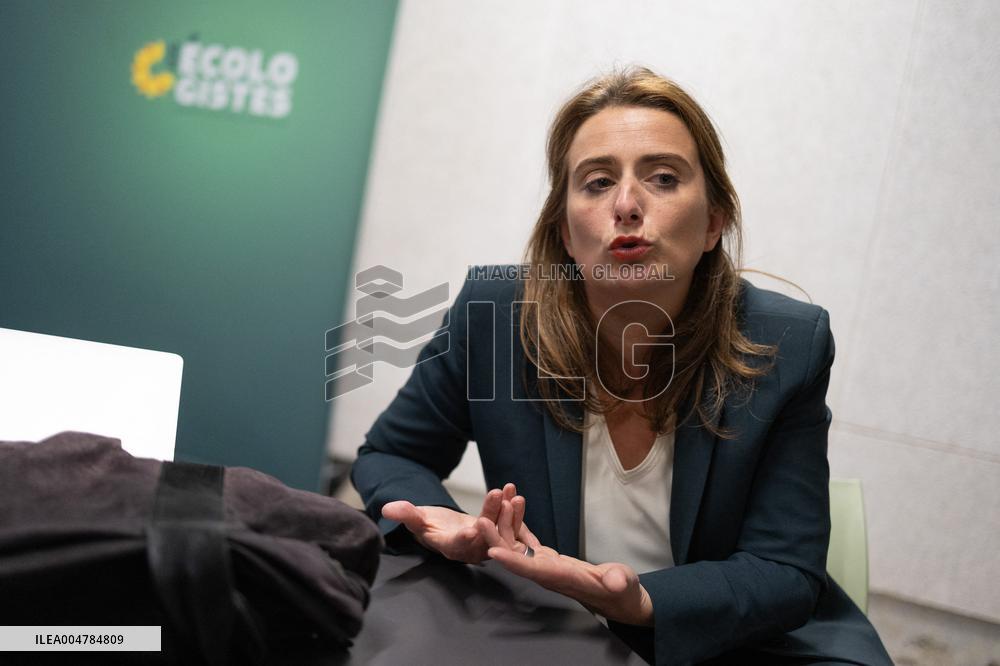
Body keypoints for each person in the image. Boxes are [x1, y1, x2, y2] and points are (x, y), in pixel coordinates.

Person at [351, 66, 891, 665]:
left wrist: (642, 604)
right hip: (548, 625)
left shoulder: (786, 341)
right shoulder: (495, 315)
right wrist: (448, 526)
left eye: (663, 178)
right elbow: (392, 455)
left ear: (713, 222)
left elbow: (783, 570)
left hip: (729, 639)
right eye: (598, 182)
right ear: (564, 232)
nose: (628, 205)